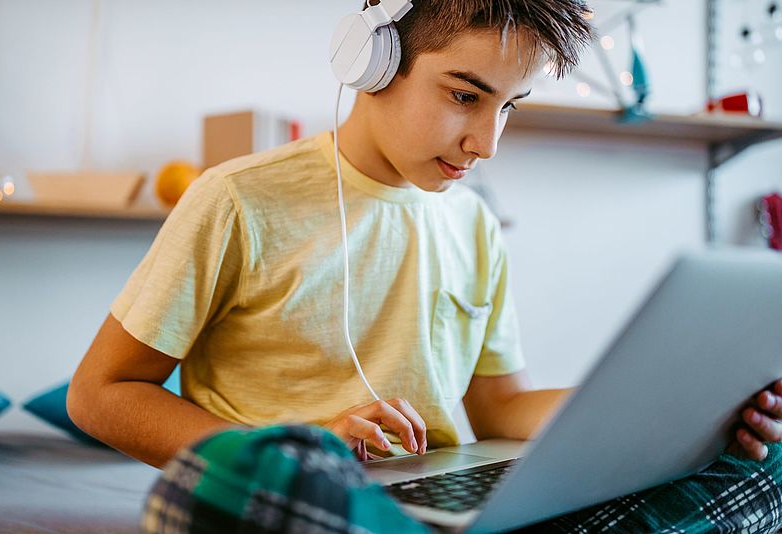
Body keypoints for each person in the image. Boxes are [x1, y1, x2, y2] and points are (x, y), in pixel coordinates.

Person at [68, 0, 782, 530]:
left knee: (759, 463)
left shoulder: (473, 222)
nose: (487, 141)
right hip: (303, 494)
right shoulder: (238, 199)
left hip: (439, 505)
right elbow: (100, 393)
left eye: (509, 107)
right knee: (282, 497)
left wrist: (672, 412)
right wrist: (283, 449)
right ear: (372, 62)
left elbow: (498, 407)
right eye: (465, 96)